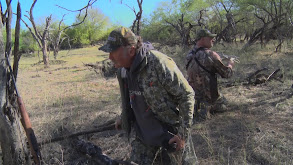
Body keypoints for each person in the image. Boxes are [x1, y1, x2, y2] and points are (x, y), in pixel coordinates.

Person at [99, 27, 198, 165]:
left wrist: (182, 134)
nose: (109, 57)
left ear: (131, 50)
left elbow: (187, 95)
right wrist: (124, 117)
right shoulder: (122, 70)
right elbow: (133, 98)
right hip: (143, 139)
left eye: (113, 51)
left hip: (170, 137)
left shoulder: (158, 63)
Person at [186, 29, 235, 122]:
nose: (213, 40)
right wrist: (230, 64)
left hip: (193, 97)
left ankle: (198, 109)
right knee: (224, 103)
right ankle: (209, 108)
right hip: (209, 98)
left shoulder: (189, 55)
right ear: (203, 39)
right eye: (211, 38)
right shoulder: (211, 54)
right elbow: (227, 74)